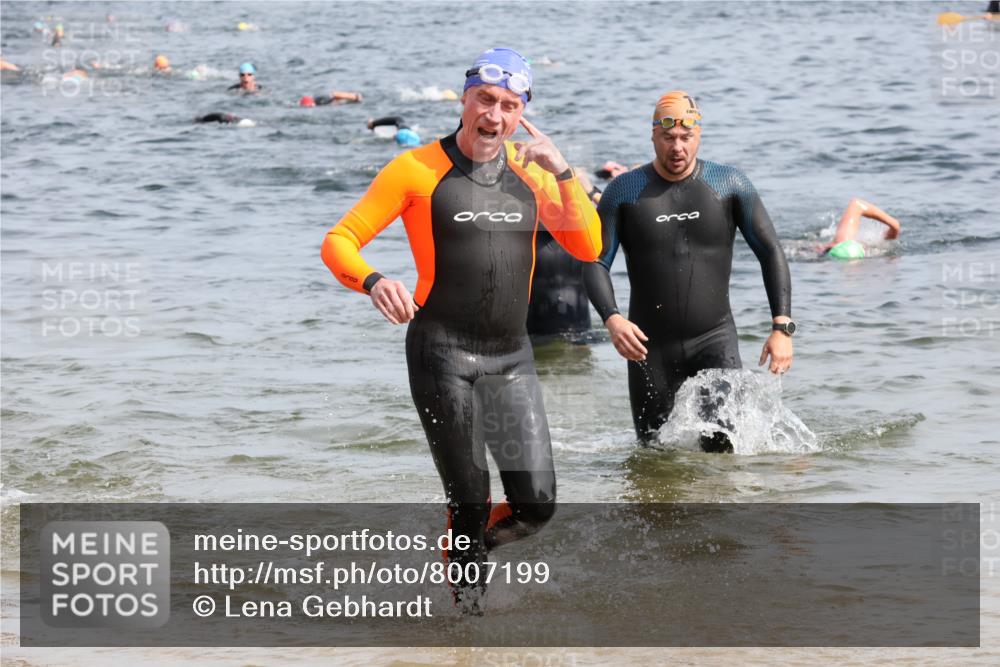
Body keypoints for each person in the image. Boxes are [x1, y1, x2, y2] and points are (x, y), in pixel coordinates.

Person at [321, 47, 600, 613]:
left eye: (508, 105)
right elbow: (339, 242)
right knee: (469, 499)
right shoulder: (415, 169)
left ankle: (463, 551)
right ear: (464, 98)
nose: (494, 115)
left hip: (511, 358)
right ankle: (465, 623)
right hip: (441, 353)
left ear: (522, 112)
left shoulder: (531, 173)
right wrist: (374, 282)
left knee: (537, 506)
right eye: (485, 100)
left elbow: (588, 246)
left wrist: (564, 172)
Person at [582, 91, 793, 453]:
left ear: (699, 135)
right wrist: (612, 319)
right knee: (653, 459)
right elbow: (595, 261)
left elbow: (771, 251)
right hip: (648, 350)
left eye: (685, 137)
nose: (677, 147)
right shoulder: (625, 191)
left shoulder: (728, 184)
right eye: (668, 138)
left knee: (723, 451)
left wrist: (782, 327)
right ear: (653, 136)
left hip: (715, 341)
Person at [824, 198, 900, 259]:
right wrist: (894, 226)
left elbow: (856, 205)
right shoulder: (845, 243)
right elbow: (856, 204)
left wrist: (894, 228)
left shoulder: (841, 241)